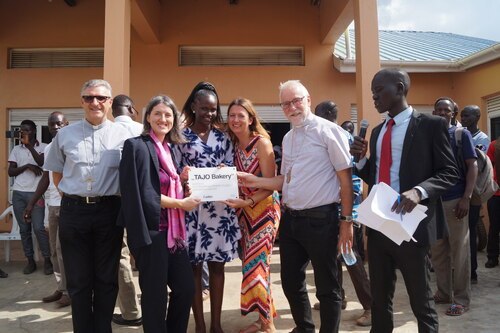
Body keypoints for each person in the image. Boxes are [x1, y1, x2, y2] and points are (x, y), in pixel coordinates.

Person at [238, 80, 354, 333]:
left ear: (308, 99)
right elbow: (285, 181)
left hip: (323, 219)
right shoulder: (289, 138)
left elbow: (346, 180)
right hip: (292, 220)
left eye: (296, 100)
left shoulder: (328, 131)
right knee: (290, 282)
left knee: (327, 287)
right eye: (286, 103)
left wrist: (347, 222)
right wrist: (254, 180)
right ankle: (304, 328)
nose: (292, 107)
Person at [350, 68, 459, 332]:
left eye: (379, 91)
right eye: (372, 92)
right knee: (379, 302)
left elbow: (449, 172)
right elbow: (374, 175)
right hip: (378, 227)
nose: (374, 97)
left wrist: (419, 191)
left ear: (399, 88)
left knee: (421, 302)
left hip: (410, 227)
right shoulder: (377, 131)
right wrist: (362, 159)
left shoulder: (431, 125)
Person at [44, 79, 130, 333]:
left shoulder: (123, 136)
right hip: (74, 212)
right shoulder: (64, 135)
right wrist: (76, 197)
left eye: (101, 98)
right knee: (79, 281)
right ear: (81, 101)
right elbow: (57, 175)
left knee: (106, 279)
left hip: (109, 211)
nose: (95, 102)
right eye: (89, 97)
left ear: (110, 102)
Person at [118, 95, 199, 333]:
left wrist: (183, 182)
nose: (163, 119)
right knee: (155, 296)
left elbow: (166, 184)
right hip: (152, 234)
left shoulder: (169, 149)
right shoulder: (137, 146)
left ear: (174, 120)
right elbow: (143, 194)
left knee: (185, 289)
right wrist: (180, 204)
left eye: (168, 115)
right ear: (148, 117)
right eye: (158, 114)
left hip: (174, 236)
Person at [174, 81, 241, 333]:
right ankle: (200, 325)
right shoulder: (179, 137)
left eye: (213, 109)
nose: (209, 114)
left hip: (218, 213)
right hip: (191, 212)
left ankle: (216, 325)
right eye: (204, 108)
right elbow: (174, 173)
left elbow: (231, 168)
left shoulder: (224, 137)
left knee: (217, 268)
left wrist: (227, 172)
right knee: (193, 269)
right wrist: (182, 175)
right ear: (194, 106)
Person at [312, 101, 372, 327]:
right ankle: (339, 298)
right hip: (327, 213)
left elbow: (354, 180)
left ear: (327, 114)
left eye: (317, 114)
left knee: (352, 260)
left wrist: (347, 214)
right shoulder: (323, 136)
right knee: (331, 260)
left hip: (346, 214)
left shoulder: (344, 138)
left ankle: (370, 306)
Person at [225, 98, 280, 333]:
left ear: (250, 118)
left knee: (255, 267)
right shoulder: (233, 145)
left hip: (265, 211)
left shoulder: (262, 143)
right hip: (244, 213)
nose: (236, 120)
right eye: (232, 115)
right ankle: (263, 319)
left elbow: (271, 185)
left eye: (240, 115)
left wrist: (248, 200)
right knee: (259, 267)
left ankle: (268, 326)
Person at [432, 97, 478, 316]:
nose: (442, 113)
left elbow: (472, 166)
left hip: (455, 201)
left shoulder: (461, 134)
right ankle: (443, 293)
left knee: (459, 252)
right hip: (434, 201)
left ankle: (461, 299)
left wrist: (466, 198)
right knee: (438, 251)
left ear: (453, 113)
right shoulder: (428, 135)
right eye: (438, 109)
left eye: (446, 110)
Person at [24, 112, 71, 307]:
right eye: (52, 125)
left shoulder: (71, 144)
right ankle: (61, 288)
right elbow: (46, 177)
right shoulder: (51, 146)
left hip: (67, 204)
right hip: (52, 206)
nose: (56, 128)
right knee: (54, 251)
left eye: (59, 124)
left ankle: (69, 291)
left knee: (63, 250)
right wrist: (32, 202)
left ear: (66, 124)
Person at [111, 94, 143, 327]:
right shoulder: (145, 130)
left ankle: (131, 312)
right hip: (149, 202)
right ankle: (159, 301)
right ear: (131, 109)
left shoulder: (107, 133)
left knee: (121, 256)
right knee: (152, 254)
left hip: (115, 202)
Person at [8, 119, 52, 275]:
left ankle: (47, 260)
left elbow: (41, 162)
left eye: (26, 130)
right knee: (24, 230)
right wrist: (27, 166)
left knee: (39, 228)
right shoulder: (16, 150)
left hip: (36, 194)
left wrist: (29, 146)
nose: (23, 132)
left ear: (33, 131)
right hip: (19, 194)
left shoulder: (44, 147)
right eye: (21, 130)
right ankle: (30, 261)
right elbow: (10, 172)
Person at [460, 105, 490, 282]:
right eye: (462, 115)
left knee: (470, 232)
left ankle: (472, 272)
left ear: (478, 116)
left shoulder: (482, 139)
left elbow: (475, 163)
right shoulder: (461, 134)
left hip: (473, 191)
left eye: (467, 115)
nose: (463, 118)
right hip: (458, 189)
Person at [486, 139, 500, 268]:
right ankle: (492, 256)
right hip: (496, 194)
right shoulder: (495, 145)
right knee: (494, 227)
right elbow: (488, 167)